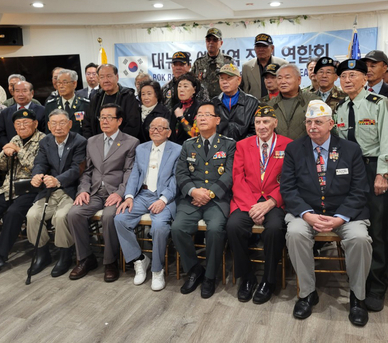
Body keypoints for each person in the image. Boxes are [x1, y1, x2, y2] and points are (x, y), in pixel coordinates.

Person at [281, 100, 372, 327]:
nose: (313, 127)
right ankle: (307, 293)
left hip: (344, 214)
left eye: (318, 122)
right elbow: (288, 188)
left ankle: (357, 297)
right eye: (309, 122)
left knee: (360, 239)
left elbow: (360, 189)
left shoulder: (350, 149)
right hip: (307, 212)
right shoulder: (294, 149)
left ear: (331, 124)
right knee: (294, 233)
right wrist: (306, 214)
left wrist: (340, 218)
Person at [335, 58, 388, 312]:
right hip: (347, 173)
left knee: (378, 230)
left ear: (365, 78)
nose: (347, 80)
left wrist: (383, 173)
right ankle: (357, 279)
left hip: (372, 169)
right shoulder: (339, 108)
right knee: (352, 226)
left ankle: (377, 286)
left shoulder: (379, 104)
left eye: (353, 75)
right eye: (344, 76)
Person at [227, 106, 292, 304]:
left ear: (275, 123)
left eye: (266, 122)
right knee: (233, 226)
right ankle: (246, 277)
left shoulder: (288, 145)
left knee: (274, 229)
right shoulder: (243, 145)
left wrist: (271, 202)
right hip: (247, 199)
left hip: (274, 200)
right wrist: (252, 206)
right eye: (258, 122)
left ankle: (268, 279)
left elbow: (291, 179)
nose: (262, 126)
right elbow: (237, 178)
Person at [0, 109, 46, 278]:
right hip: (9, 188)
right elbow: (1, 165)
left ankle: (0, 256)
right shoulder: (14, 139)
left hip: (31, 188)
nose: (22, 126)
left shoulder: (43, 140)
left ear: (35, 124)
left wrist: (18, 151)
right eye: (18, 124)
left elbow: (36, 166)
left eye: (26, 123)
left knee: (13, 212)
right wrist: (5, 152)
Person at [171, 102, 236, 299]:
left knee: (216, 230)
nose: (202, 118)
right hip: (192, 199)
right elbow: (181, 174)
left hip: (217, 199)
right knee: (177, 228)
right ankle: (194, 269)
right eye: (199, 115)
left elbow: (230, 174)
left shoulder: (229, 144)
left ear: (217, 120)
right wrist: (192, 191)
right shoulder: (188, 145)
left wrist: (210, 193)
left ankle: (210, 276)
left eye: (207, 115)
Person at [68, 104, 139, 281]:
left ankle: (110, 262)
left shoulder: (131, 142)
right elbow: (87, 171)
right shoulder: (92, 141)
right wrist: (83, 190)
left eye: (109, 117)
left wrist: (121, 193)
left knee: (109, 217)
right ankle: (85, 258)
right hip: (94, 192)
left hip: (115, 192)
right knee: (74, 213)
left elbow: (130, 172)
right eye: (102, 117)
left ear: (119, 121)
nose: (104, 121)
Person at [115, 117, 181, 291]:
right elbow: (135, 174)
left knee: (159, 227)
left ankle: (157, 269)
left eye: (161, 128)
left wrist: (163, 199)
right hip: (143, 194)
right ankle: (139, 259)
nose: (156, 130)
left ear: (168, 132)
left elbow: (177, 179)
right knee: (120, 219)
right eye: (153, 127)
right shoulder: (141, 149)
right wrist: (129, 196)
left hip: (164, 196)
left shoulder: (178, 150)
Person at [25, 109, 87, 277]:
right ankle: (42, 253)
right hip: (49, 191)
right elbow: (40, 163)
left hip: (70, 189)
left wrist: (58, 180)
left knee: (61, 217)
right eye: (54, 123)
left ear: (70, 124)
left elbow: (77, 169)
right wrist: (37, 175)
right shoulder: (45, 142)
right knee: (32, 215)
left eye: (62, 123)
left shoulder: (79, 141)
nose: (58, 127)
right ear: (49, 126)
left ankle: (65, 255)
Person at [82, 64, 141, 139]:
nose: (106, 80)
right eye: (102, 77)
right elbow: (87, 124)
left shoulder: (127, 96)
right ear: (98, 79)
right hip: (98, 144)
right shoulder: (96, 97)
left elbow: (133, 124)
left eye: (109, 76)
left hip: (122, 144)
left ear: (117, 77)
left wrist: (118, 143)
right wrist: (92, 142)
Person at [267, 64, 318, 140]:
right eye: (279, 78)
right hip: (279, 150)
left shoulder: (313, 101)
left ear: (299, 80)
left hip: (306, 149)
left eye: (287, 77)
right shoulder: (270, 105)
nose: (283, 81)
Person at [212, 63, 259, 141]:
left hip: (244, 148)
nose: (224, 82)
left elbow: (256, 130)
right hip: (219, 149)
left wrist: (241, 146)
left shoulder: (252, 102)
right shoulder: (214, 102)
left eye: (229, 78)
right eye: (222, 78)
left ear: (239, 80)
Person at [0, 81, 46, 147]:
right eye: (17, 91)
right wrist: (10, 146)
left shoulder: (42, 111)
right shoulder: (5, 112)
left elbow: (46, 133)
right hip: (11, 151)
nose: (20, 94)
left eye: (24, 91)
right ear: (13, 93)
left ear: (32, 93)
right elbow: (0, 135)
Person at [240, 33, 288, 100]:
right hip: (255, 107)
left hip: (279, 105)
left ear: (272, 48)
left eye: (264, 46)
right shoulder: (246, 67)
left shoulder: (283, 64)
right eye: (258, 46)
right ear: (254, 48)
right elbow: (245, 90)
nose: (261, 49)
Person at [191, 28, 234, 99]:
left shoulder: (228, 61)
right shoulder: (198, 63)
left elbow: (235, 83)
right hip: (203, 103)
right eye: (208, 40)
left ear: (221, 43)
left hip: (223, 102)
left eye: (215, 40)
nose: (211, 42)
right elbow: (192, 84)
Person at [44, 69, 89, 135]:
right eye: (59, 83)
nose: (61, 86)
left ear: (74, 84)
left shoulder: (85, 104)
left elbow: (88, 130)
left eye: (65, 83)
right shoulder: (50, 105)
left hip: (80, 143)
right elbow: (48, 131)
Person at [169, 73, 201, 145]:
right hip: (174, 148)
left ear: (194, 90)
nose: (181, 90)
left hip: (191, 149)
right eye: (179, 86)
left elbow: (195, 134)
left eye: (185, 86)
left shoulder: (199, 108)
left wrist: (181, 118)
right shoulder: (176, 107)